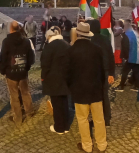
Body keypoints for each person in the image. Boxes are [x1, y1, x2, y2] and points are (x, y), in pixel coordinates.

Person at [65, 22, 107, 153]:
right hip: (95, 89)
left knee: (82, 119)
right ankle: (102, 144)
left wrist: (71, 87)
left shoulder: (70, 51)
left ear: (77, 33)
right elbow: (102, 71)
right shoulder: (97, 49)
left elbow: (67, 73)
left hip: (79, 90)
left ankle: (87, 146)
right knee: (99, 119)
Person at [0, 21, 35, 126]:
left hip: (11, 73)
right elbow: (31, 57)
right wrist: (26, 67)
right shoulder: (26, 41)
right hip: (23, 71)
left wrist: (3, 70)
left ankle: (18, 117)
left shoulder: (6, 41)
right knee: (25, 92)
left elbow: (3, 58)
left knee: (14, 95)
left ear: (10, 29)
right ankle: (29, 111)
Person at [41, 26, 71, 134]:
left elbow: (45, 64)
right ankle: (66, 126)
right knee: (64, 101)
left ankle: (59, 127)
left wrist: (43, 77)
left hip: (53, 78)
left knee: (57, 103)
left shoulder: (49, 47)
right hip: (66, 77)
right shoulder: (67, 45)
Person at [87, 19, 116, 126]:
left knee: (96, 97)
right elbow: (111, 56)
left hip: (95, 72)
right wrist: (111, 73)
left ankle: (98, 119)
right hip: (106, 71)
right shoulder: (105, 39)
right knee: (105, 95)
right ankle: (106, 118)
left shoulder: (90, 40)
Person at [117, 19, 139, 92]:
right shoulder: (135, 33)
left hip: (130, 56)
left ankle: (121, 86)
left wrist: (125, 57)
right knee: (136, 71)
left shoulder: (127, 35)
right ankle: (137, 87)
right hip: (137, 55)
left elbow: (125, 47)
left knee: (125, 71)